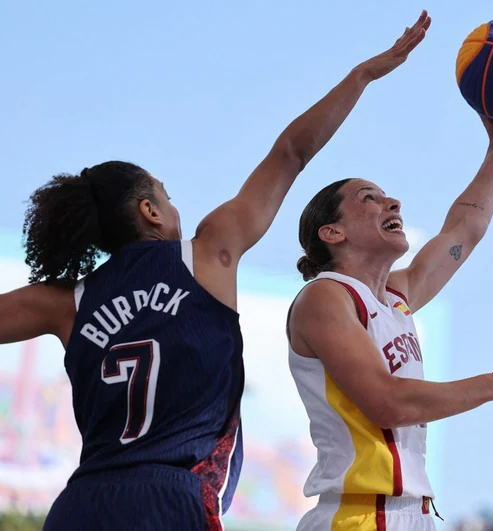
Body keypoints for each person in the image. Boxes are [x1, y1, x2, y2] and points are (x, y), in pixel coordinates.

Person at [0, 11, 431, 531]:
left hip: (82, 503)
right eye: (167, 196)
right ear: (150, 212)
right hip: (171, 498)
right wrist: (361, 75)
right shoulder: (208, 253)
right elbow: (291, 153)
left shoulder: (62, 302)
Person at [287, 99, 493, 530]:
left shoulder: (395, 298)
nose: (392, 202)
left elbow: (463, 231)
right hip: (359, 515)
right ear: (333, 232)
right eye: (370, 199)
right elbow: (386, 401)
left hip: (412, 514)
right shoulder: (325, 297)